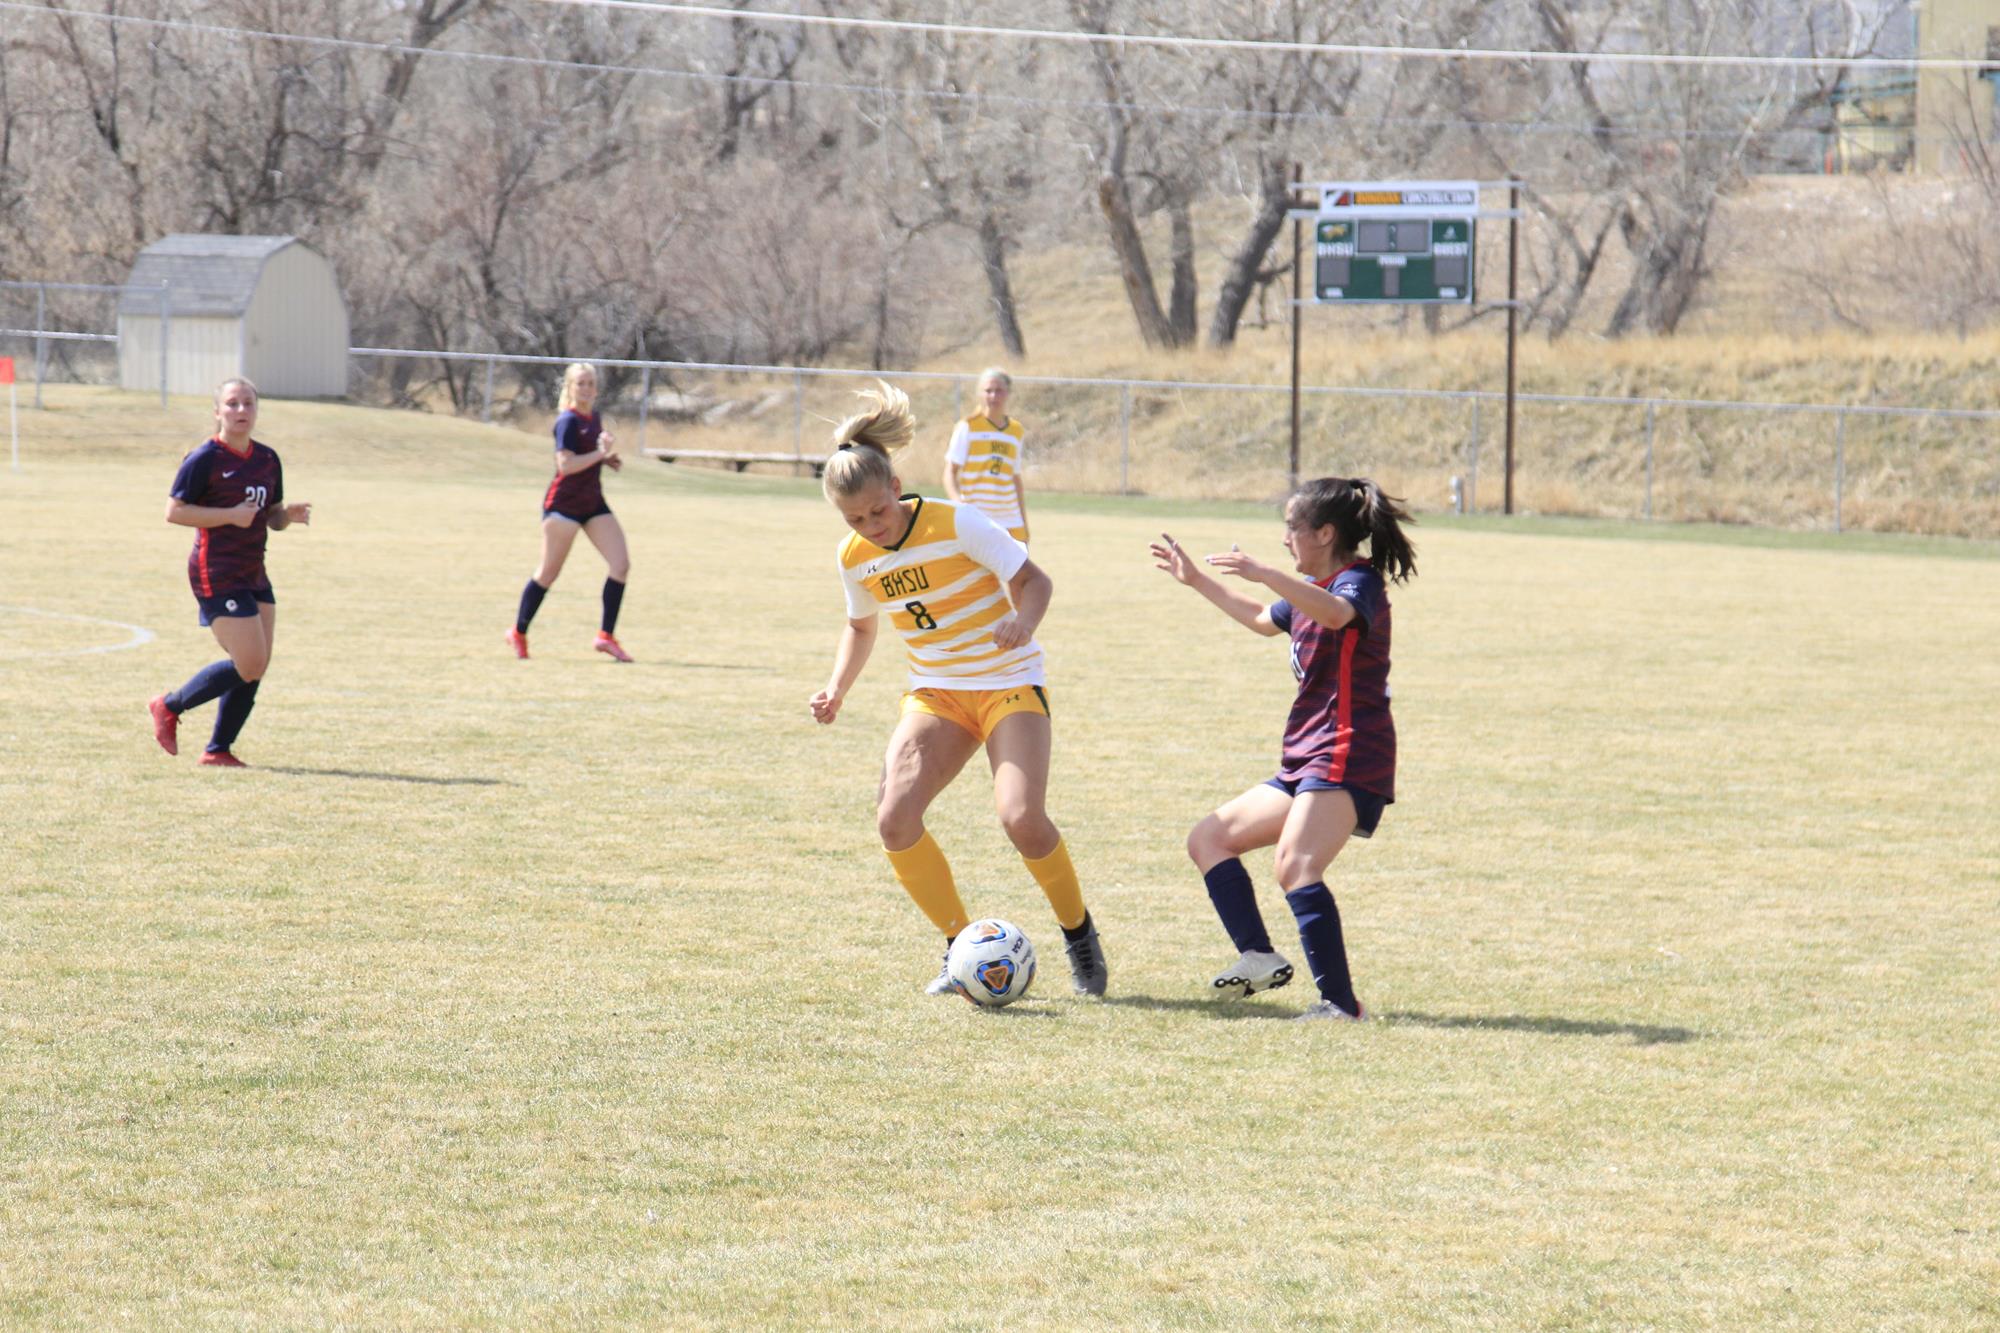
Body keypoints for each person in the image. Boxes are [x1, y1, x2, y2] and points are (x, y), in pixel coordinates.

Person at [809, 381, 1106, 997]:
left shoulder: (958, 522)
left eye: (877, 512)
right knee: (894, 819)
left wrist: (1022, 622)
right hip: (937, 694)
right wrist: (836, 688)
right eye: (855, 519)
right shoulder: (855, 554)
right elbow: (860, 626)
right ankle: (959, 949)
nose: (872, 527)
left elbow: (1035, 581)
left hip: (1007, 685)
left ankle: (1079, 936)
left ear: (896, 486)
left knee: (1021, 818)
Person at [1149, 477, 1416, 1021]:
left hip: (1347, 752)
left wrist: (1267, 574)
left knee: (1296, 864)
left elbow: (1338, 615)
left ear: (1324, 532)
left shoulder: (1357, 583)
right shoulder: (1310, 592)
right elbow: (1257, 618)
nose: (1285, 540)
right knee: (1209, 839)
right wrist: (1197, 579)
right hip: (1307, 756)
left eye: (1291, 528)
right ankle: (1258, 956)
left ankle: (1341, 1006)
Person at [147, 378, 311, 768]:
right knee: (249, 661)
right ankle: (168, 705)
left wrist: (285, 516)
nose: (241, 411)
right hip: (215, 571)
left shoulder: (268, 460)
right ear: (217, 411)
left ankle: (218, 750)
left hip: (254, 570)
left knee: (257, 665)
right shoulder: (205, 458)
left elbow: (270, 518)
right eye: (232, 404)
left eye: (248, 403)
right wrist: (229, 517)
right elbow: (175, 511)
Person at [507, 361, 633, 661]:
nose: (586, 388)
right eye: (581, 383)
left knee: (621, 565)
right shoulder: (567, 421)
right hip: (563, 506)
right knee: (548, 573)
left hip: (593, 503)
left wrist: (604, 460)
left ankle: (606, 636)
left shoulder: (595, 418)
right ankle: (519, 631)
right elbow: (566, 465)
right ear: (570, 388)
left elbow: (585, 459)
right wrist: (599, 454)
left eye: (590, 383)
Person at [943, 367, 1029, 544]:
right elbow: (949, 472)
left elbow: (1015, 477)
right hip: (978, 517)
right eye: (988, 391)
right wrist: (959, 504)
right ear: (979, 394)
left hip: (1010, 519)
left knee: (1018, 571)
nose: (993, 396)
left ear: (1008, 393)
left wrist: (1024, 521)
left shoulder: (1016, 430)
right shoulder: (968, 426)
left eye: (999, 391)